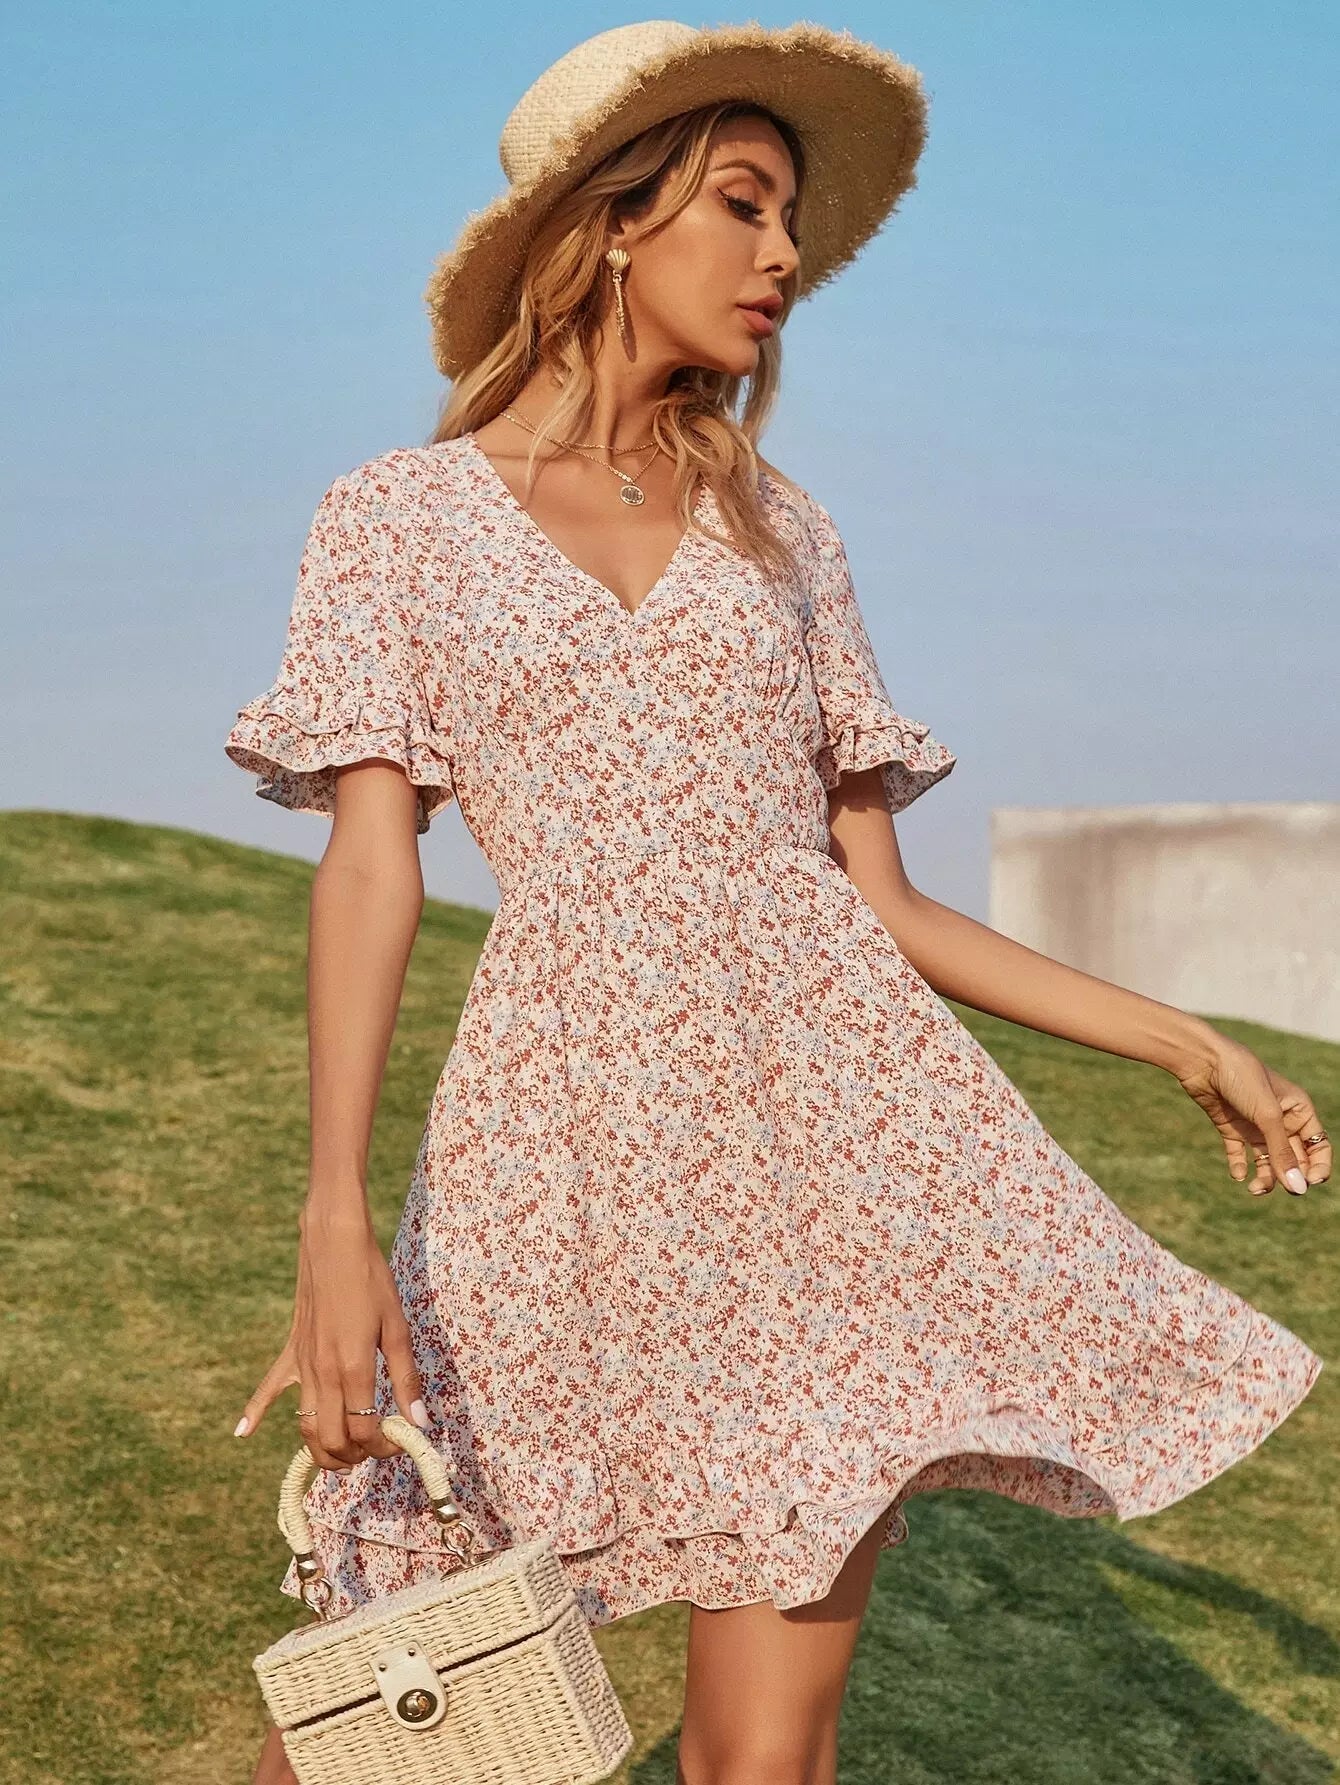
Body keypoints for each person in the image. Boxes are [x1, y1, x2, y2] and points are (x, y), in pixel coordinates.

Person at [224, 21, 1329, 1785]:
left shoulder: (786, 534)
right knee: (391, 1720)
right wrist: (333, 1215)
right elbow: (372, 863)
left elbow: (879, 901)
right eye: (744, 206)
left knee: (766, 1759)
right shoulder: (398, 522)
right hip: (550, 1152)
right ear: (612, 222)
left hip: (823, 1164)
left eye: (792, 220)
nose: (784, 256)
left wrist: (1180, 1037)